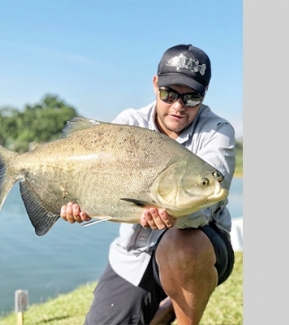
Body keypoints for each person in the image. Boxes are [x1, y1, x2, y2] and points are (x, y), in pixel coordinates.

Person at [61, 44, 237, 325]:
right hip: (133, 254)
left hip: (203, 248)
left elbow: (207, 206)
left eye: (192, 98)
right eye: (169, 94)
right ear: (156, 84)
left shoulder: (218, 132)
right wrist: (79, 203)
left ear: (204, 95)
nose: (179, 106)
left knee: (182, 243)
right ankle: (166, 306)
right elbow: (99, 184)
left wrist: (173, 213)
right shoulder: (129, 124)